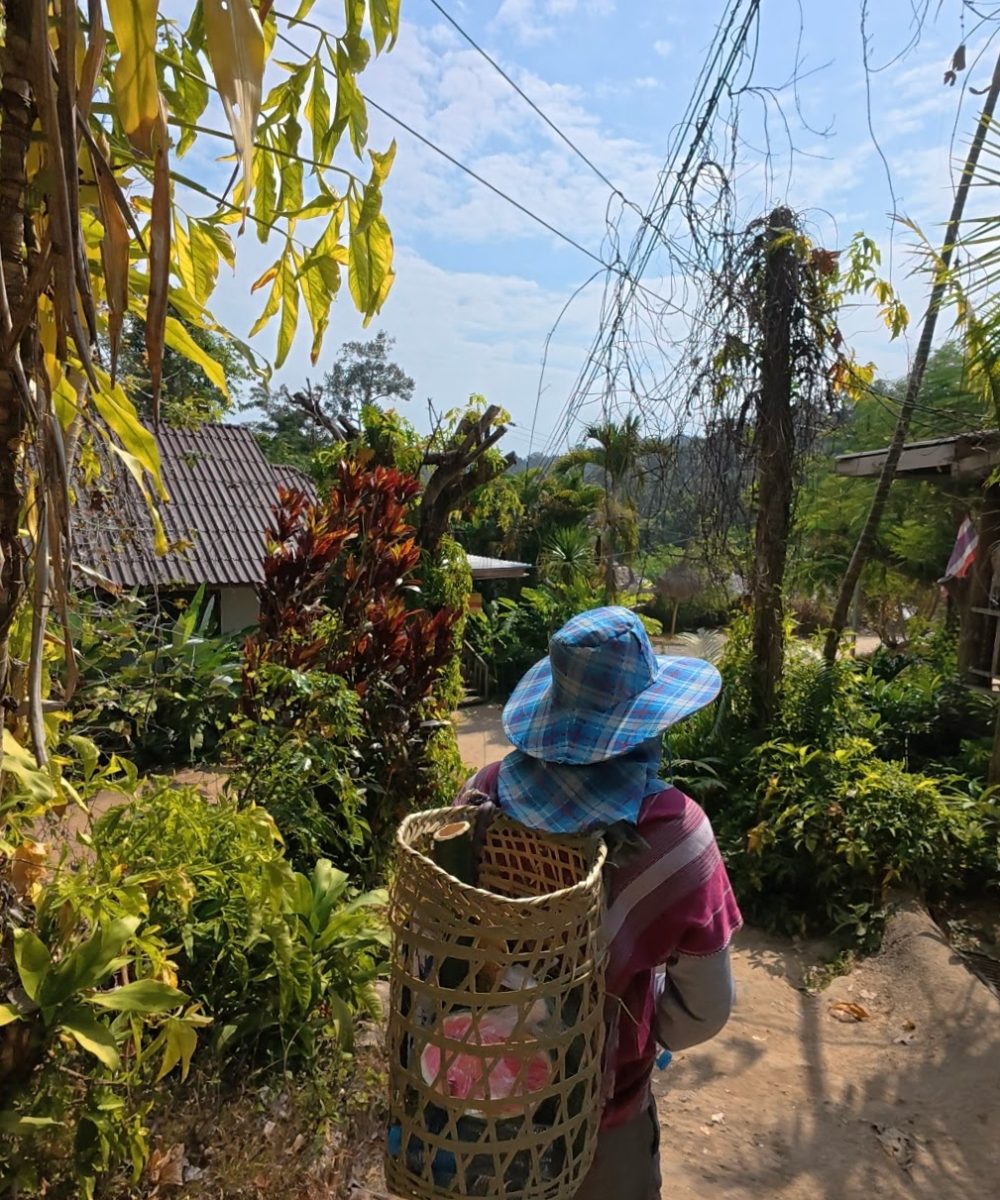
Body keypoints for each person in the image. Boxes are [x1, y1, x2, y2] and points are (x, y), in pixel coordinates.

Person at [456, 606, 742, 1200]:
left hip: (474, 1103)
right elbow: (703, 1013)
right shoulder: (675, 836)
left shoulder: (483, 795)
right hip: (597, 1121)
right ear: (648, 722)